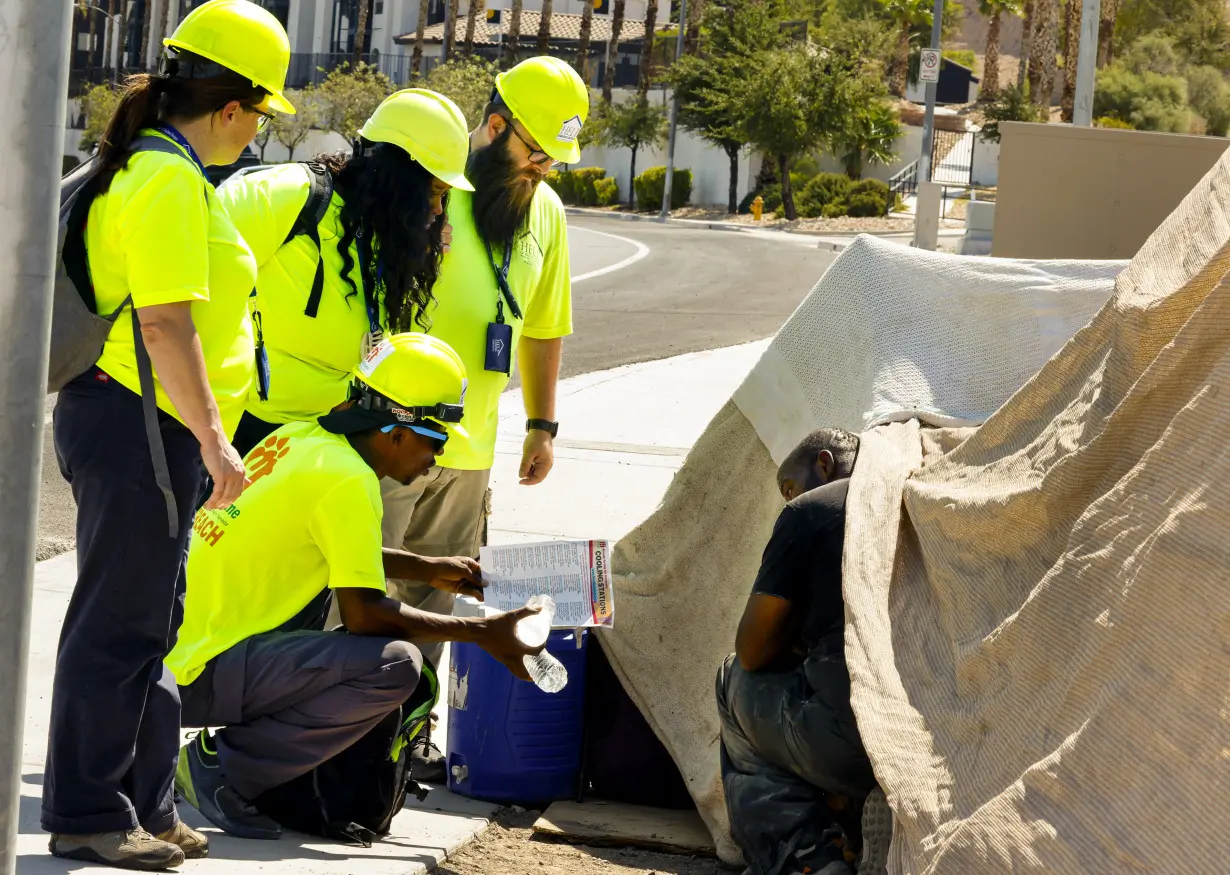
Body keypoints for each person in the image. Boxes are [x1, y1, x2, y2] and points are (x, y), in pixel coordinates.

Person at [42, 1, 294, 869]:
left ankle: (141, 804)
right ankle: (86, 809)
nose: (259, 130)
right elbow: (164, 326)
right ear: (231, 108)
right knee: (120, 621)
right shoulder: (168, 181)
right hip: (135, 420)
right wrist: (218, 439)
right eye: (261, 113)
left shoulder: (168, 171)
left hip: (149, 426)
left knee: (155, 618)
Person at [168, 333, 542, 840]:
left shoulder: (301, 439)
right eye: (436, 442)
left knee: (363, 649)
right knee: (393, 665)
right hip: (204, 671)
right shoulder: (349, 480)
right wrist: (481, 632)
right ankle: (220, 763)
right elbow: (365, 613)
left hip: (183, 655)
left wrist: (426, 567)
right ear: (396, 433)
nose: (437, 459)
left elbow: (324, 547)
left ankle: (242, 762)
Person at [380, 56, 588, 776]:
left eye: (553, 161)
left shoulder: (546, 214)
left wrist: (542, 423)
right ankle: (326, 738)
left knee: (438, 606)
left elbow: (542, 326)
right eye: (534, 153)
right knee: (360, 596)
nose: (542, 171)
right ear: (493, 126)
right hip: (389, 440)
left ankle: (403, 749)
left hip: (470, 453)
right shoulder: (432, 184)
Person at [216, 87, 473, 459]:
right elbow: (190, 286)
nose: (437, 208)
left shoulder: (389, 232)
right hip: (247, 434)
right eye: (432, 191)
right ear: (397, 176)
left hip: (333, 437)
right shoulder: (287, 194)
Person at [715, 428, 878, 875]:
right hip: (927, 738)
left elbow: (751, 650)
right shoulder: (913, 493)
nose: (787, 498)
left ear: (824, 465)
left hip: (851, 739)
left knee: (731, 679)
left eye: (788, 486)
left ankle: (805, 854)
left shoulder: (811, 512)